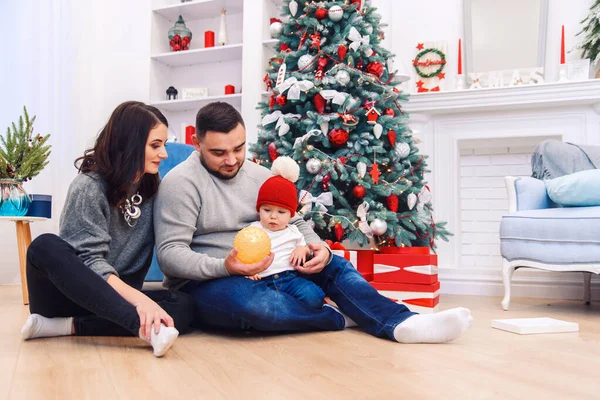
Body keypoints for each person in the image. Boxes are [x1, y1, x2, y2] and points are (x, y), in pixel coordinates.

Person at [155, 102, 472, 343]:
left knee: (334, 263)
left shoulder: (259, 176)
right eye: (219, 152)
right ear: (196, 143)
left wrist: (316, 247)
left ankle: (401, 323)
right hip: (213, 280)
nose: (232, 160)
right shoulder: (179, 183)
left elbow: (296, 220)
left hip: (278, 266)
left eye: (238, 148)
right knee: (250, 306)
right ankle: (338, 317)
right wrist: (226, 266)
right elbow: (170, 254)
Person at [20, 101, 195, 357]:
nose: (164, 154)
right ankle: (145, 330)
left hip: (118, 299)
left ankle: (66, 327)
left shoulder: (150, 186)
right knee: (44, 245)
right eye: (155, 145)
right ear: (130, 144)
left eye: (164, 145)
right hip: (70, 297)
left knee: (184, 305)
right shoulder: (88, 187)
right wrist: (140, 301)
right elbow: (89, 263)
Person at [245, 155, 325, 310]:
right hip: (261, 280)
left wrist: (303, 249)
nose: (273, 216)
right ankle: (287, 308)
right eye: (267, 210)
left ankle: (284, 308)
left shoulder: (294, 231)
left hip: (290, 279)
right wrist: (248, 272)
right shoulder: (253, 230)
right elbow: (243, 254)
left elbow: (307, 249)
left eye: (281, 212)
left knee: (314, 296)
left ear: (291, 214)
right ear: (259, 210)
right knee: (254, 302)